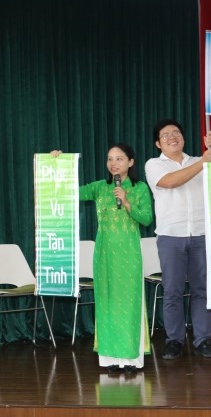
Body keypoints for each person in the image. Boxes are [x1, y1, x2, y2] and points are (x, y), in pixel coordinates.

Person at [51, 144, 153, 373]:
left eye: (119, 158)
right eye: (109, 159)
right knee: (107, 303)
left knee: (129, 304)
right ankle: (110, 358)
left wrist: (127, 202)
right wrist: (58, 165)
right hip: (104, 254)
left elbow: (147, 218)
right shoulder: (99, 187)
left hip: (129, 253)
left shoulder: (140, 188)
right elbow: (70, 192)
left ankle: (131, 359)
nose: (113, 163)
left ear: (131, 162)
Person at [145, 119, 211, 360]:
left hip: (201, 233)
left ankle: (203, 340)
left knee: (202, 290)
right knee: (173, 291)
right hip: (171, 236)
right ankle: (174, 341)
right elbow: (170, 182)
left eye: (176, 132)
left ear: (183, 137)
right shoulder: (154, 164)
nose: (172, 137)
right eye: (165, 135)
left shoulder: (199, 160)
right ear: (158, 143)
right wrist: (203, 162)